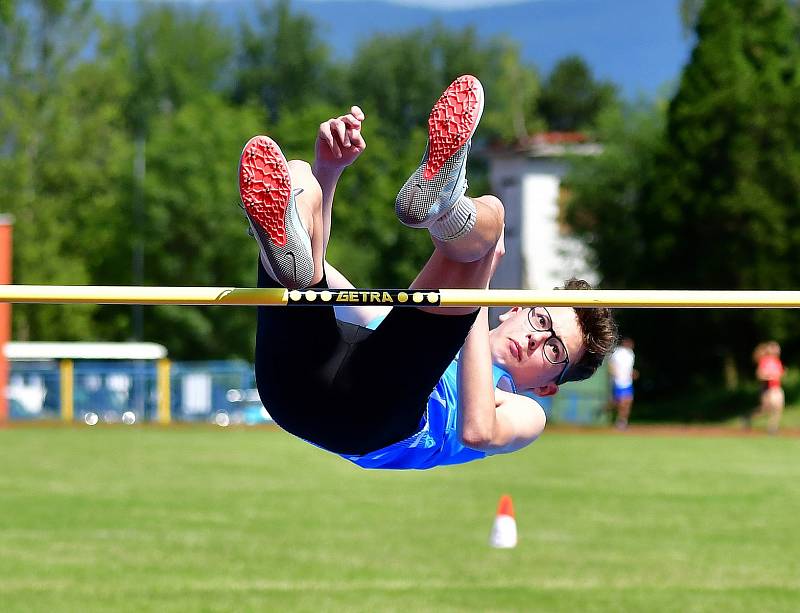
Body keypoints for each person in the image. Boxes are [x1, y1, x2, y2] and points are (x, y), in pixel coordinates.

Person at [238, 75, 617, 470]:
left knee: (494, 214)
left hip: (373, 420)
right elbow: (318, 275)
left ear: (547, 385)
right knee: (301, 177)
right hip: (292, 388)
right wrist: (329, 170)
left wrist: (478, 292)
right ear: (517, 309)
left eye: (554, 350)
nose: (536, 340)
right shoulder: (404, 329)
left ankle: (448, 205)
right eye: (541, 320)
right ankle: (444, 207)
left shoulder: (527, 410)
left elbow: (477, 431)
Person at [749, 341, 785, 435]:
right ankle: (748, 417)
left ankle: (773, 428)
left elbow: (779, 374)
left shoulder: (777, 361)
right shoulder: (765, 361)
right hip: (768, 388)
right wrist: (769, 377)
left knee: (779, 408)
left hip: (777, 387)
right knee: (766, 409)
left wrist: (781, 374)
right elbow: (759, 375)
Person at [607, 337, 637, 430]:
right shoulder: (617, 352)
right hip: (618, 381)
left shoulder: (631, 354)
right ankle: (606, 409)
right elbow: (611, 365)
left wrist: (633, 373)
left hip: (628, 382)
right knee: (621, 402)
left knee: (628, 401)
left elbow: (629, 368)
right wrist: (614, 374)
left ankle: (622, 422)